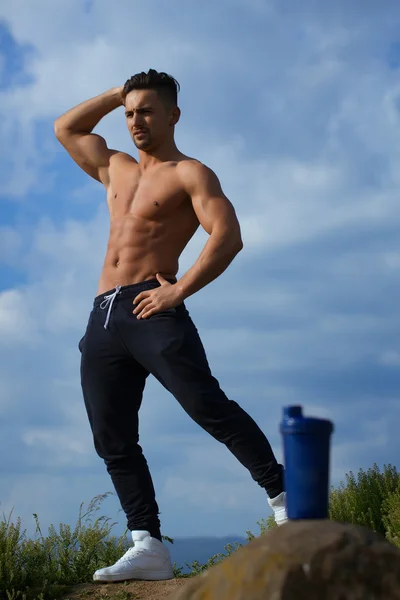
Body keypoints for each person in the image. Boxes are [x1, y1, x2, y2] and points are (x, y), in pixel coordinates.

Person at [54, 69, 287, 583]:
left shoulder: (191, 174)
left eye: (146, 111)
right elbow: (66, 129)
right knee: (111, 436)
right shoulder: (113, 167)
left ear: (173, 115)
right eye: (129, 113)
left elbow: (227, 236)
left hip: (151, 304)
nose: (136, 121)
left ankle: (284, 501)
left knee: (206, 404)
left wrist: (177, 291)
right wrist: (118, 93)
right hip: (103, 313)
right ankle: (148, 545)